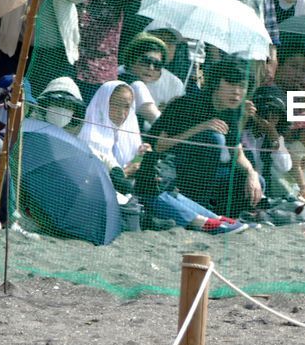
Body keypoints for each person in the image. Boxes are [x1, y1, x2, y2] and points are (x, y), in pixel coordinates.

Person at [80, 81, 244, 232]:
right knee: (150, 191)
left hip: (131, 187)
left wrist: (140, 158)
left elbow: (130, 163)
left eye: (127, 107)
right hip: (105, 196)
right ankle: (202, 223)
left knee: (161, 188)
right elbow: (95, 180)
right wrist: (129, 171)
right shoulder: (91, 134)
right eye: (115, 105)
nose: (122, 113)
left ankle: (214, 219)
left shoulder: (122, 132)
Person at [147, 56, 263, 218]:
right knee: (214, 139)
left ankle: (224, 216)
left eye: (242, 86)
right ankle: (197, 205)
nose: (236, 92)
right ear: (216, 82)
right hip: (170, 170)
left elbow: (236, 152)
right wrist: (200, 128)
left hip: (208, 174)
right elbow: (158, 145)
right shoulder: (188, 104)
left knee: (255, 181)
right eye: (230, 83)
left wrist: (252, 174)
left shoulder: (233, 110)